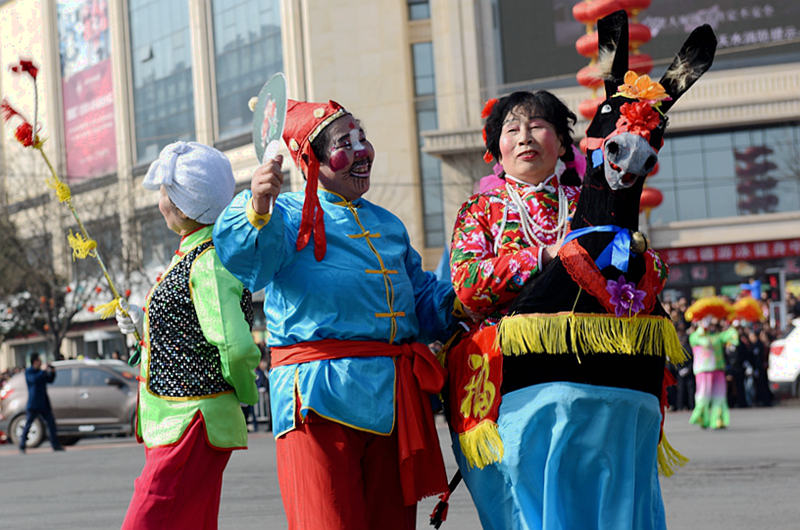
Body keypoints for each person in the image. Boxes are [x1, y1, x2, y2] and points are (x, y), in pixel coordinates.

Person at [213, 98, 458, 530]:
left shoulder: (388, 224)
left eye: (362, 137)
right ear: (311, 159)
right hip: (318, 400)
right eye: (346, 142)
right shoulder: (286, 214)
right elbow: (242, 255)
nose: (361, 150)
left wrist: (485, 292)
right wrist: (257, 205)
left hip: (391, 399)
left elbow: (424, 299)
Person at [447, 91, 583, 529]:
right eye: (512, 129)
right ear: (497, 150)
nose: (525, 138)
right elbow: (467, 287)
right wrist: (541, 257)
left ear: (562, 143)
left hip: (586, 367)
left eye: (538, 125)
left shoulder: (589, 204)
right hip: (503, 375)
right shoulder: (480, 210)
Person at [115, 141, 261, 530]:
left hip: (192, 421)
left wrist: (244, 394)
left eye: (164, 192)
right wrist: (141, 326)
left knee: (145, 522)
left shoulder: (208, 262)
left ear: (182, 204)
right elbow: (191, 331)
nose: (159, 201)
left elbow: (236, 345)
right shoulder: (194, 255)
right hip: (178, 420)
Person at [686, 300, 739, 430]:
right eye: (704, 321)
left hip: (718, 370)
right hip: (703, 370)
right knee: (703, 395)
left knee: (720, 396)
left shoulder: (716, 337)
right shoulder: (694, 337)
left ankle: (718, 420)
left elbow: (730, 337)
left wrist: (732, 324)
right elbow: (702, 341)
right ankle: (702, 419)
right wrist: (702, 327)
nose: (708, 324)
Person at [19, 353, 64, 453]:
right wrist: (43, 370)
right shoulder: (29, 372)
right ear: (35, 361)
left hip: (44, 403)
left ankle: (55, 445)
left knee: (51, 423)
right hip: (34, 403)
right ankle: (22, 445)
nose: (40, 363)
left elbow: (50, 380)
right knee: (28, 424)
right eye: (39, 360)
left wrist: (52, 372)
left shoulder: (40, 372)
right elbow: (34, 380)